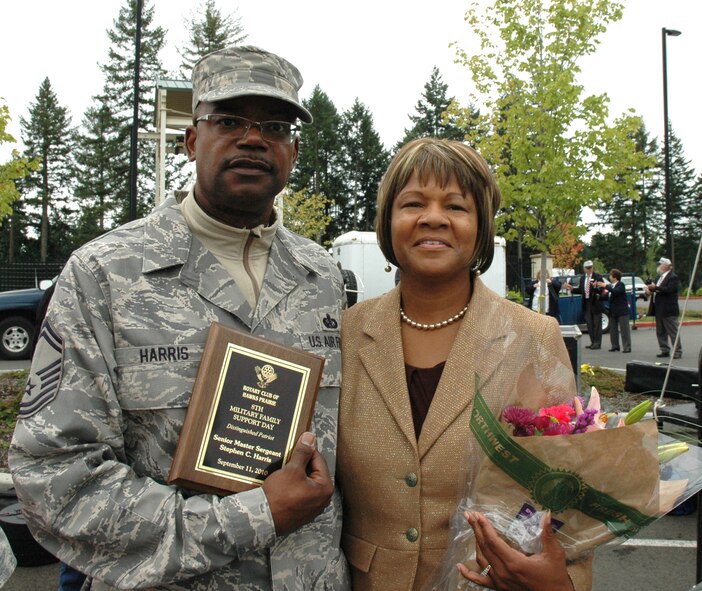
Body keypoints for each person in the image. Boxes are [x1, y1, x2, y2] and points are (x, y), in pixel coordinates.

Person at [9, 46, 349, 590]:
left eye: (275, 125)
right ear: (192, 140)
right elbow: (56, 479)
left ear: (294, 149)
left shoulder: (323, 277)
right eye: (229, 120)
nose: (253, 138)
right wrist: (253, 516)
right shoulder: (105, 275)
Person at [336, 138, 591, 590]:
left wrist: (563, 582)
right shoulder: (348, 332)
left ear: (480, 226)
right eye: (413, 203)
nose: (433, 217)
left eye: (455, 206)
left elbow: (570, 495)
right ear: (388, 222)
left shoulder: (534, 336)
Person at [563, 261, 604, 349]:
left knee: (597, 324)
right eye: (587, 268)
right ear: (584, 269)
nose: (589, 270)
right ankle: (593, 342)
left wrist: (595, 286)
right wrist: (572, 289)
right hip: (586, 302)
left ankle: (597, 342)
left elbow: (601, 289)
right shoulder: (582, 278)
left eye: (591, 268)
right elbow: (581, 290)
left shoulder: (598, 277)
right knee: (589, 323)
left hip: (595, 302)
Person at [647, 257, 682, 359]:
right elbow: (655, 289)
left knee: (672, 331)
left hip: (669, 309)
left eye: (660, 264)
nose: (658, 267)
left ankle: (677, 351)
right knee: (660, 331)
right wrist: (649, 290)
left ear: (665, 266)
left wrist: (656, 288)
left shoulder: (673, 277)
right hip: (659, 308)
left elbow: (669, 290)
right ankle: (664, 349)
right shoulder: (658, 278)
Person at [603, 269, 631, 353]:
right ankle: (615, 345)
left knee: (624, 330)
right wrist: (598, 295)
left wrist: (606, 286)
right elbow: (608, 296)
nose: (609, 277)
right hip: (613, 311)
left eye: (611, 275)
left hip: (622, 311)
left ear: (615, 277)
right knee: (613, 329)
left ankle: (627, 347)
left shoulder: (620, 285)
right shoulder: (612, 286)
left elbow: (616, 292)